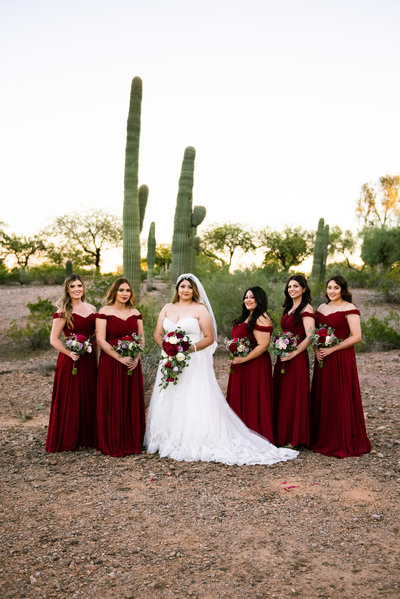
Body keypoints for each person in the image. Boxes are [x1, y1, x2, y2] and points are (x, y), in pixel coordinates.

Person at [144, 273, 298, 465]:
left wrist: (189, 349)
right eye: (182, 286)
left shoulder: (201, 309)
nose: (185, 290)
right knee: (170, 395)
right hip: (169, 358)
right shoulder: (167, 308)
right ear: (177, 289)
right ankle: (165, 438)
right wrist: (168, 348)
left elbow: (209, 337)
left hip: (192, 359)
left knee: (190, 397)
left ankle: (193, 437)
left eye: (189, 287)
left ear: (194, 290)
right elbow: (158, 334)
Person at [310, 275, 371, 458]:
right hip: (323, 358)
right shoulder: (321, 307)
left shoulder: (349, 308)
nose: (332, 291)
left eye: (336, 288)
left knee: (339, 395)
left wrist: (333, 349)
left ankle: (340, 437)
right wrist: (316, 349)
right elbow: (314, 333)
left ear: (342, 289)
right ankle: (322, 436)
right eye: (329, 287)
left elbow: (356, 336)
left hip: (341, 357)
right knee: (324, 395)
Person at [46, 274, 97, 452]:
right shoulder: (63, 311)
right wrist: (70, 353)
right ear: (68, 290)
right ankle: (69, 438)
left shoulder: (92, 308)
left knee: (88, 394)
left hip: (89, 359)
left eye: (79, 286)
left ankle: (87, 437)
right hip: (71, 360)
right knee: (72, 396)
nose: (77, 289)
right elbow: (54, 339)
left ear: (84, 288)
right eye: (73, 287)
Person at [95, 278, 145, 457]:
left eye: (128, 291)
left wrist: (137, 358)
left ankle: (131, 439)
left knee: (129, 398)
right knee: (112, 398)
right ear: (115, 292)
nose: (125, 293)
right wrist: (119, 357)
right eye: (121, 290)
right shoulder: (104, 312)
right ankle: (113, 438)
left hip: (132, 363)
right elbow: (101, 339)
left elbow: (141, 338)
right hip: (111, 362)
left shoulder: (135, 312)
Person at [226, 286, 275, 442]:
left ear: (259, 299)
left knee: (253, 398)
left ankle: (255, 434)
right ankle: (237, 433)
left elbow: (263, 345)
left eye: (252, 297)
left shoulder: (261, 318)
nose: (248, 300)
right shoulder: (246, 316)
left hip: (255, 365)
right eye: (246, 297)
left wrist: (244, 359)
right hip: (241, 365)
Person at [273, 275, 315, 447]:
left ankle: (295, 437)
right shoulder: (289, 307)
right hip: (284, 357)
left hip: (296, 359)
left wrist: (294, 353)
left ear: (303, 289)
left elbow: (310, 336)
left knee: (294, 394)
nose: (292, 289)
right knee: (284, 394)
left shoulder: (307, 309)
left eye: (296, 286)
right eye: (289, 286)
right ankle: (282, 434)